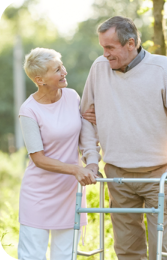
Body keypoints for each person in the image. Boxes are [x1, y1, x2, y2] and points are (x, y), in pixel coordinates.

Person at [80, 16, 167, 260]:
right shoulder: (98, 69)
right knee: (126, 251)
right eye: (102, 47)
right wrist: (92, 160)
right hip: (117, 175)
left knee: (160, 252)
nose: (105, 54)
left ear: (131, 44)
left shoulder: (162, 68)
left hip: (159, 174)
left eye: (110, 48)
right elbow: (85, 118)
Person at [18, 47, 97, 260]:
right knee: (32, 256)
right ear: (39, 79)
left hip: (69, 193)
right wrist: (75, 169)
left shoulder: (72, 97)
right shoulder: (29, 110)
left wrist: (93, 117)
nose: (64, 72)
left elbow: (84, 129)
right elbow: (38, 158)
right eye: (57, 70)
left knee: (65, 256)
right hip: (38, 195)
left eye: (62, 66)